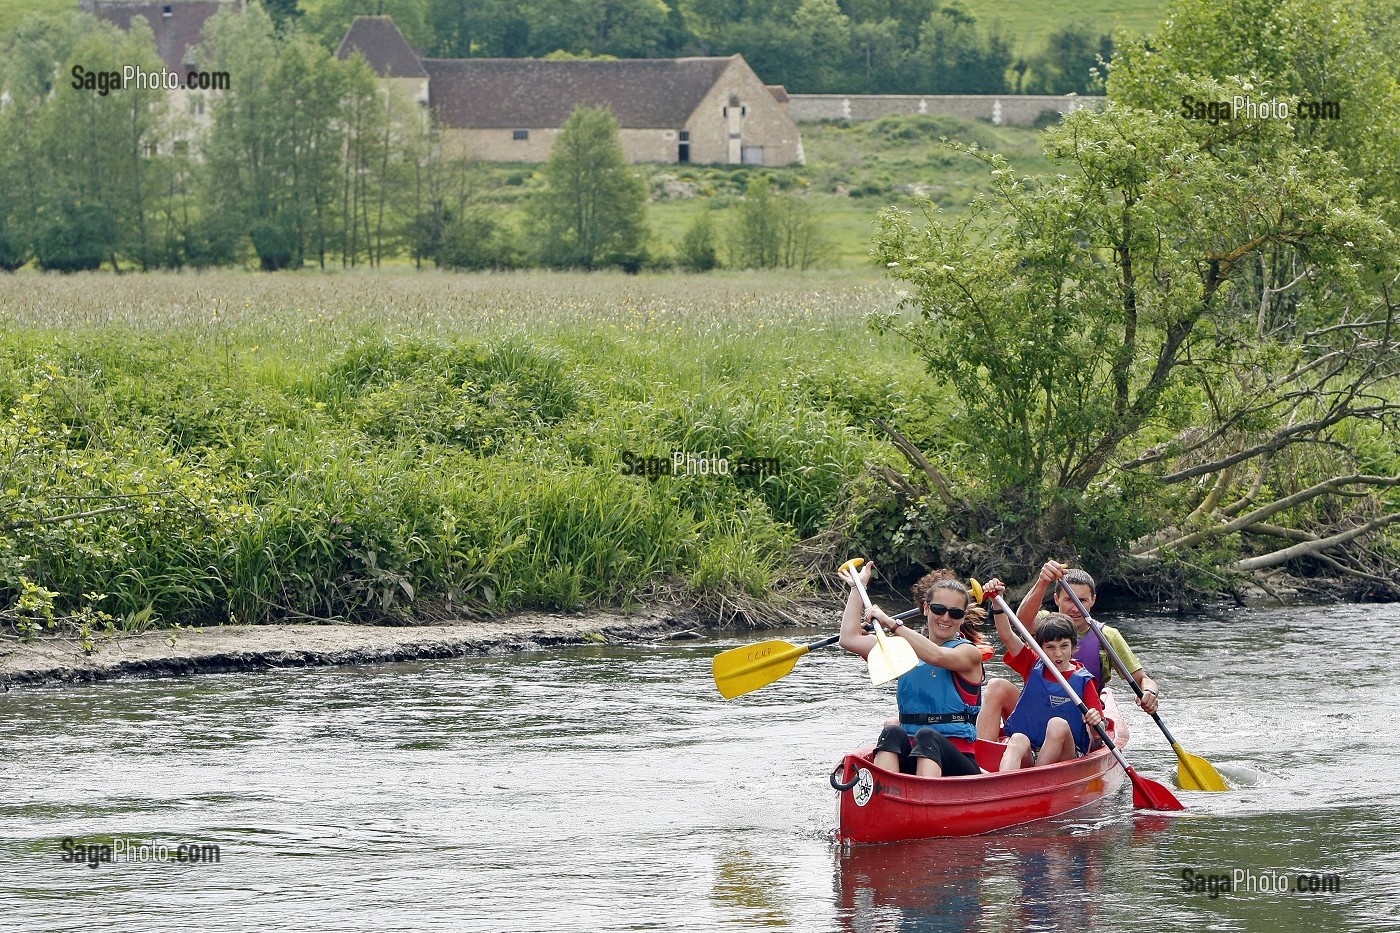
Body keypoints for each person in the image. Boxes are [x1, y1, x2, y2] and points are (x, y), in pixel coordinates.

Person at [976, 561, 1160, 743]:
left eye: (1082, 601)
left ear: (1093, 600)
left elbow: (1142, 679)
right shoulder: (1045, 625)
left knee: (1061, 725)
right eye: (1068, 599)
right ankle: (983, 756)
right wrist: (1042, 582)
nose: (1075, 608)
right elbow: (1020, 623)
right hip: (1039, 706)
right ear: (1056, 599)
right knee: (996, 685)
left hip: (1082, 715)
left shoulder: (1107, 635)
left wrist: (1149, 692)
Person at [839, 563, 993, 777]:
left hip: (956, 762)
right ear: (926, 608)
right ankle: (888, 792)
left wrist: (891, 623)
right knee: (892, 732)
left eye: (955, 613)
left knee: (927, 736)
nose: (946, 618)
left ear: (963, 617)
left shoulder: (969, 654)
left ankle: (926, 797)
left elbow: (936, 656)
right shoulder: (902, 649)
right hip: (911, 756)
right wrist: (858, 588)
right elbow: (849, 638)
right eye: (939, 609)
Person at [995, 613, 1104, 771]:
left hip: (1068, 754)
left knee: (1057, 724)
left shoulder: (1083, 680)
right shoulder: (1032, 664)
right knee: (1018, 738)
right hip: (1033, 751)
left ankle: (1035, 780)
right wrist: (997, 606)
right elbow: (1006, 636)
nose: (1058, 654)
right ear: (1040, 649)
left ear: (1073, 646)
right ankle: (1002, 787)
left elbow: (1097, 733)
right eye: (1050, 647)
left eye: (1064, 646)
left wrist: (1095, 720)